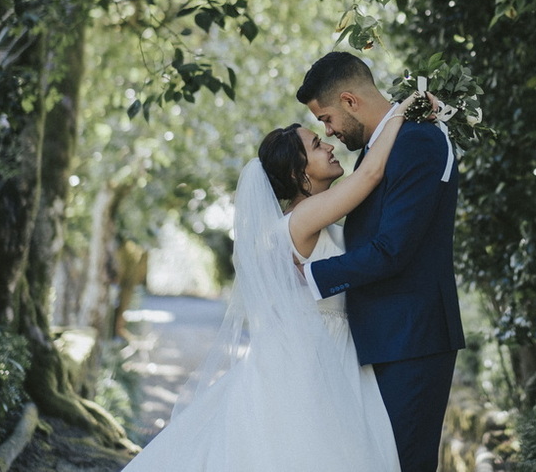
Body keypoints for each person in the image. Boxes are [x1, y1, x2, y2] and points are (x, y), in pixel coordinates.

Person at [120, 90, 430, 472]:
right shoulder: (302, 219)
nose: (330, 145)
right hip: (314, 363)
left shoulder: (307, 219)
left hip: (323, 354)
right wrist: (399, 113)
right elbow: (370, 174)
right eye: (317, 145)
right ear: (299, 174)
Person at [297, 51, 465, 472]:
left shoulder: (418, 141)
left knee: (404, 464)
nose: (329, 131)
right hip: (385, 338)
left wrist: (310, 275)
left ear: (350, 101)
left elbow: (393, 249)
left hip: (412, 339)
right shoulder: (381, 148)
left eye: (327, 119)